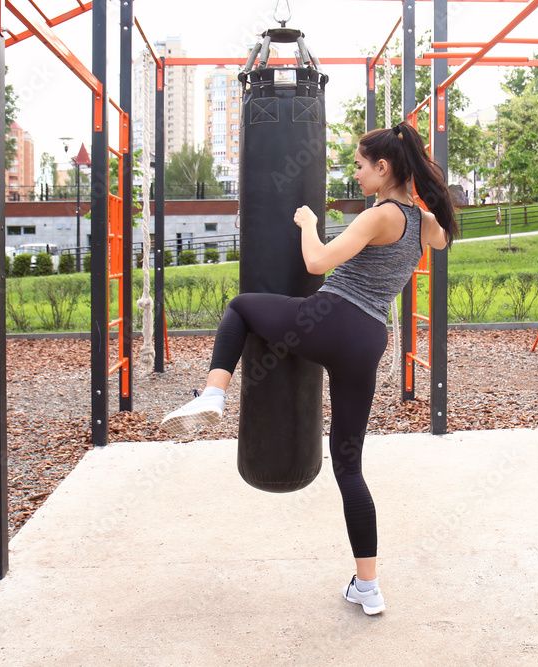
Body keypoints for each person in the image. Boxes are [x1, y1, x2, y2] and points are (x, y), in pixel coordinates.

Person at [160, 121, 456, 615]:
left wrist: (306, 223)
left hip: (330, 319)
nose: (356, 174)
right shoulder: (423, 221)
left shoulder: (380, 214)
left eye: (360, 166)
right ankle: (369, 586)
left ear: (383, 168)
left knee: (239, 308)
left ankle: (213, 392)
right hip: (367, 342)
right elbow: (443, 238)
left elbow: (317, 263)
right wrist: (428, 187)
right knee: (349, 467)